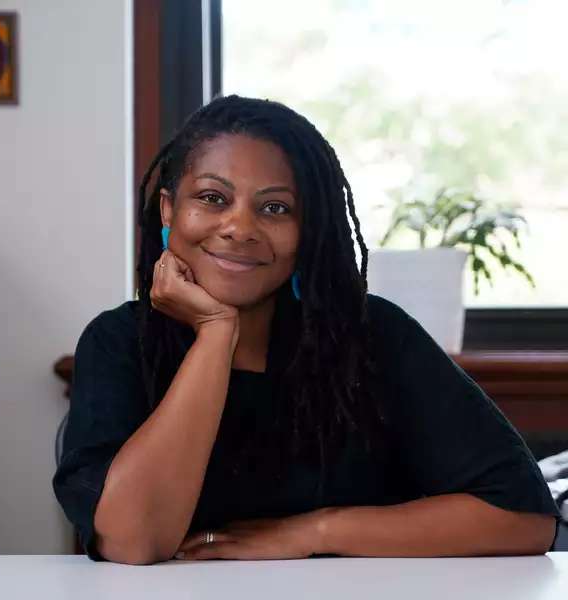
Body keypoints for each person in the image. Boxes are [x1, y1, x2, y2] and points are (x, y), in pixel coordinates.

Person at [52, 95, 561, 565]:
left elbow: (523, 518)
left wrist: (313, 532)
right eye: (212, 198)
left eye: (275, 208)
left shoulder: (372, 335)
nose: (240, 227)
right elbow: (134, 541)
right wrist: (215, 332)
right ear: (169, 210)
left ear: (308, 229)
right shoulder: (118, 342)